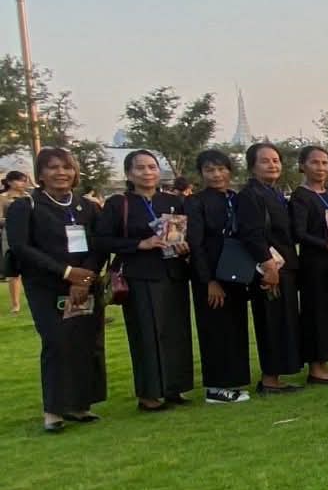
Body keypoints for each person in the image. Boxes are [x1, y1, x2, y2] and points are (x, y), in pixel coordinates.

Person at [7, 147, 106, 431]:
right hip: (46, 286)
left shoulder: (87, 206)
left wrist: (83, 278)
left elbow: (100, 244)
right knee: (57, 342)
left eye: (66, 167)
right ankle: (54, 409)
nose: (61, 173)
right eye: (53, 167)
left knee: (86, 341)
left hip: (85, 284)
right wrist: (67, 273)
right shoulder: (26, 206)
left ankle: (80, 404)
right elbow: (21, 247)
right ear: (40, 174)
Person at [96, 149, 194, 411]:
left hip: (173, 274)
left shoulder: (172, 201)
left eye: (152, 167)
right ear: (129, 174)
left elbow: (187, 233)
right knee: (146, 335)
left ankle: (174, 388)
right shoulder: (119, 204)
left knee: (175, 333)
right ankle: (149, 395)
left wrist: (184, 247)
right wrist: (140, 243)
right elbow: (102, 240)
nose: (147, 172)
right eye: (140, 168)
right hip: (140, 276)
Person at [185, 150, 253, 403]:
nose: (216, 175)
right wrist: (209, 281)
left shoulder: (235, 198)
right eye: (209, 170)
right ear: (201, 174)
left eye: (221, 169)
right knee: (215, 330)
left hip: (236, 272)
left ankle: (233, 382)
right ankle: (216, 387)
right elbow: (196, 244)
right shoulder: (195, 202)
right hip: (211, 275)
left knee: (235, 328)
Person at [237, 141, 304, 395]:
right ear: (252, 166)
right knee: (271, 322)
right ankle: (269, 379)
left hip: (285, 266)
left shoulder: (274, 193)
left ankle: (276, 376)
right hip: (268, 269)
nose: (272, 165)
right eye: (265, 161)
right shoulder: (250, 195)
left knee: (284, 320)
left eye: (275, 160)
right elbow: (252, 234)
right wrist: (269, 267)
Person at [290, 145, 328, 385]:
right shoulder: (301, 196)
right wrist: (327, 245)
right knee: (317, 314)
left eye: (325, 163)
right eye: (314, 162)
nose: (320, 167)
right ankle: (315, 368)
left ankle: (326, 362)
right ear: (302, 166)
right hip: (314, 264)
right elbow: (299, 232)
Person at [2, 169, 32, 315]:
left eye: (24, 180)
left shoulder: (29, 197)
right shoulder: (3, 198)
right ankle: (15, 304)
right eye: (19, 180)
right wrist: (15, 218)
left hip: (30, 234)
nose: (23, 183)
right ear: (9, 182)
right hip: (10, 235)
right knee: (13, 272)